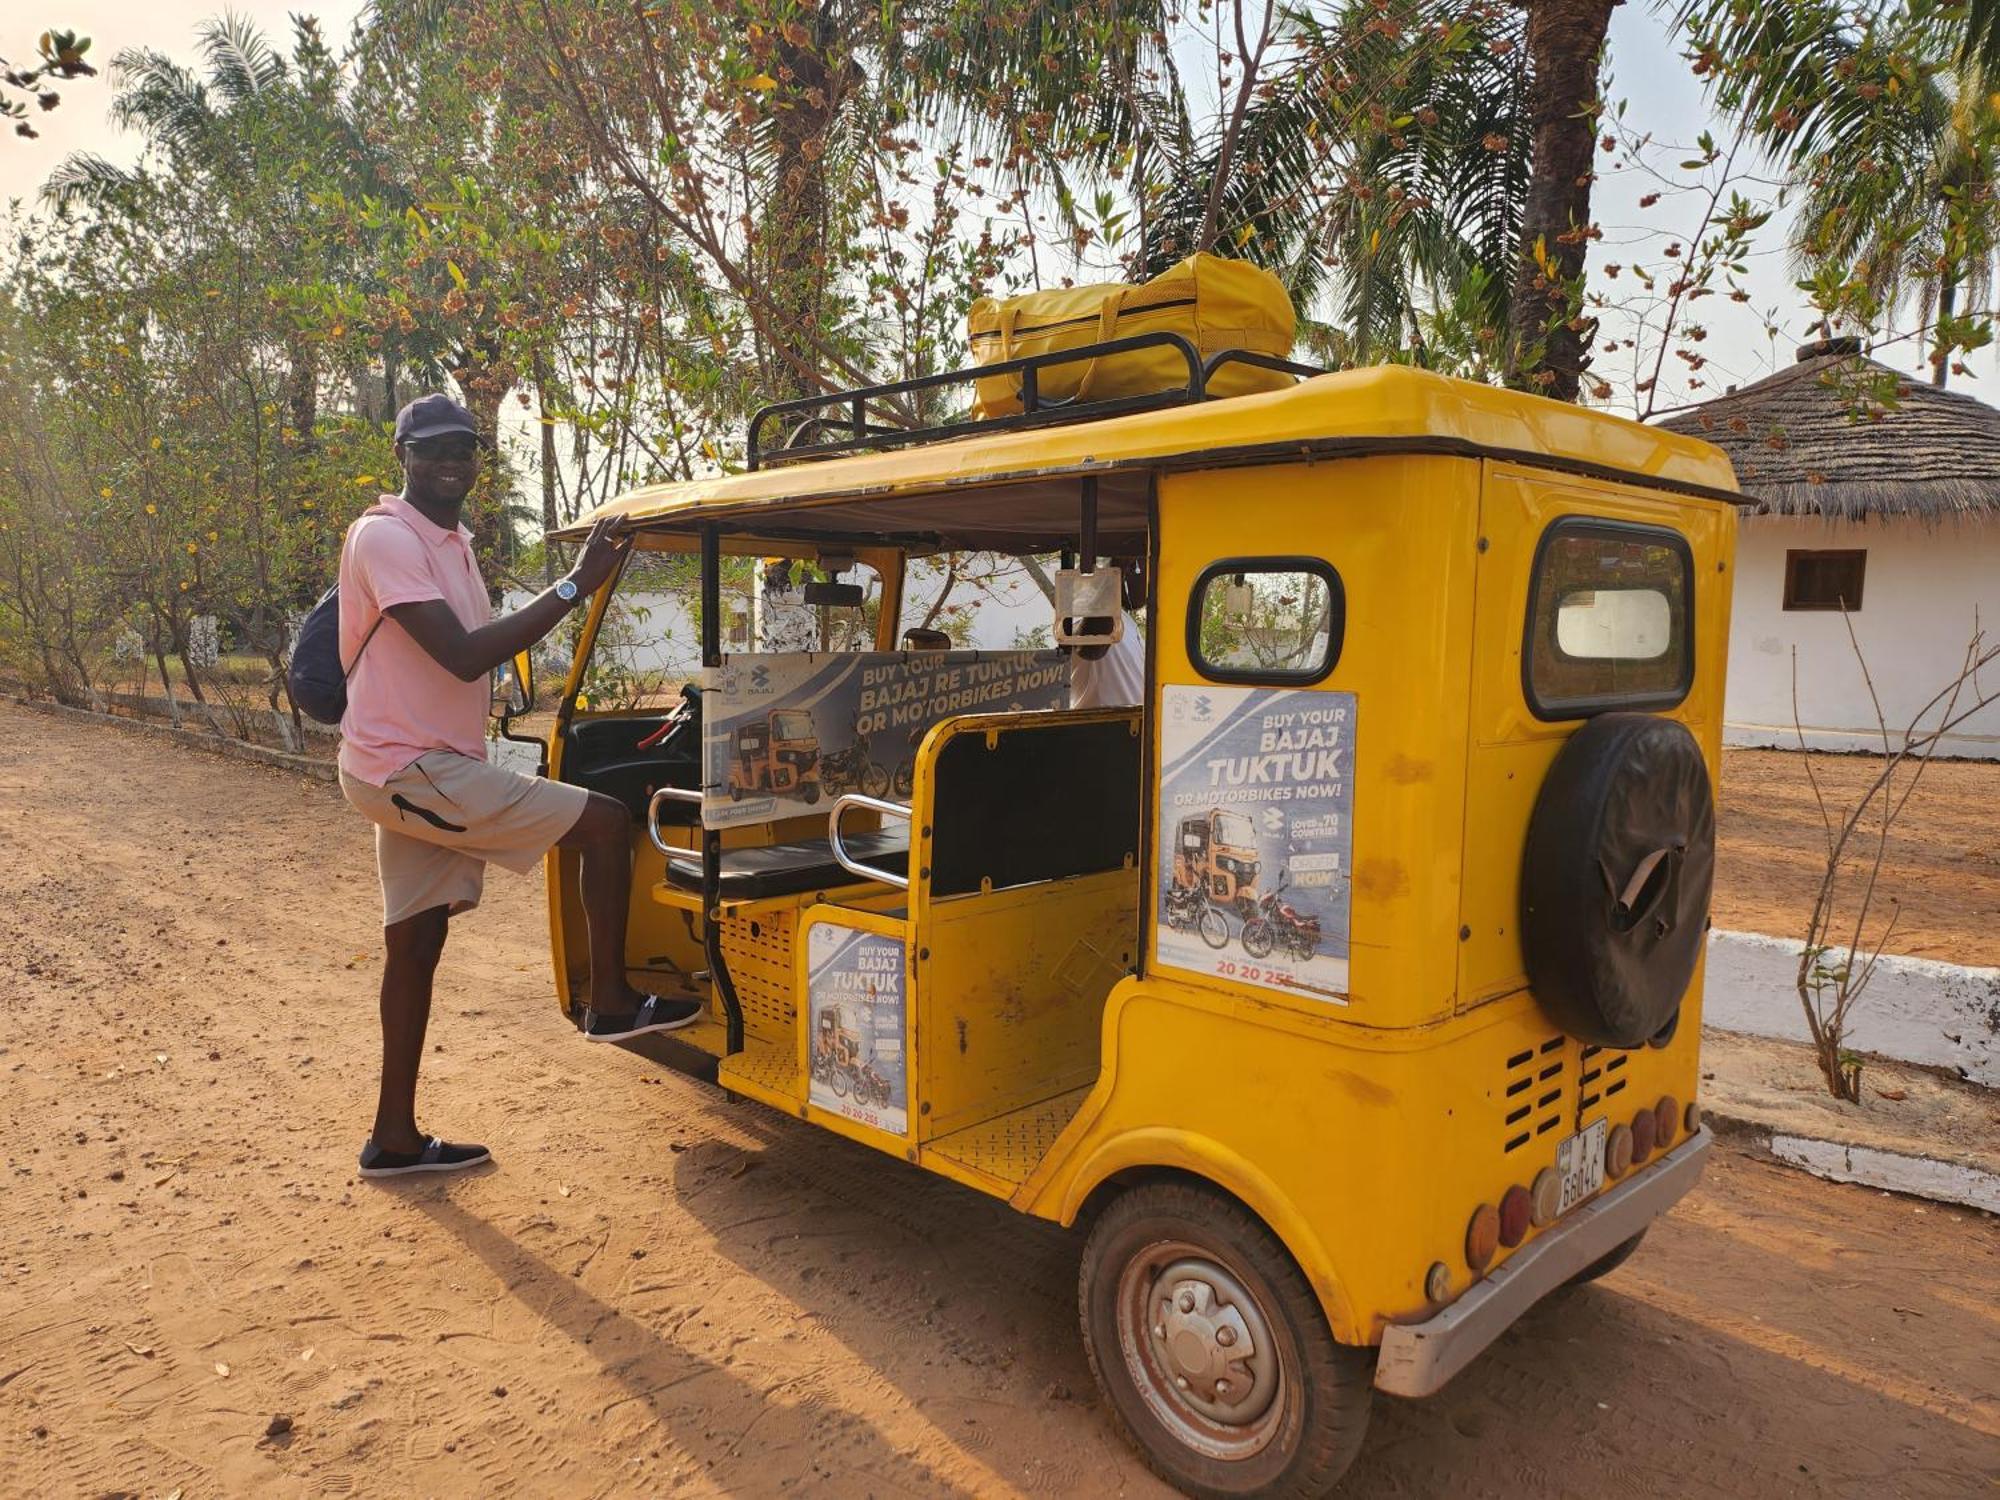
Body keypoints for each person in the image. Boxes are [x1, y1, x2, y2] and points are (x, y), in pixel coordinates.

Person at [337, 393, 700, 1179]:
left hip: (414, 765)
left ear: (476, 459)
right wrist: (575, 585)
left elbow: (471, 660)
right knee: (605, 823)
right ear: (401, 454)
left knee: (416, 941)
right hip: (410, 768)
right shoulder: (385, 537)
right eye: (430, 449)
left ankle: (392, 1141)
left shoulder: (453, 542)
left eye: (462, 450)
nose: (448, 464)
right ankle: (609, 1000)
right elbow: (464, 655)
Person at [1066, 556, 1146, 709]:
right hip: (1098, 728)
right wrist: (1114, 571)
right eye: (1140, 570)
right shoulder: (1084, 611)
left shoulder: (1126, 621)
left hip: (1130, 727)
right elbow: (1091, 648)